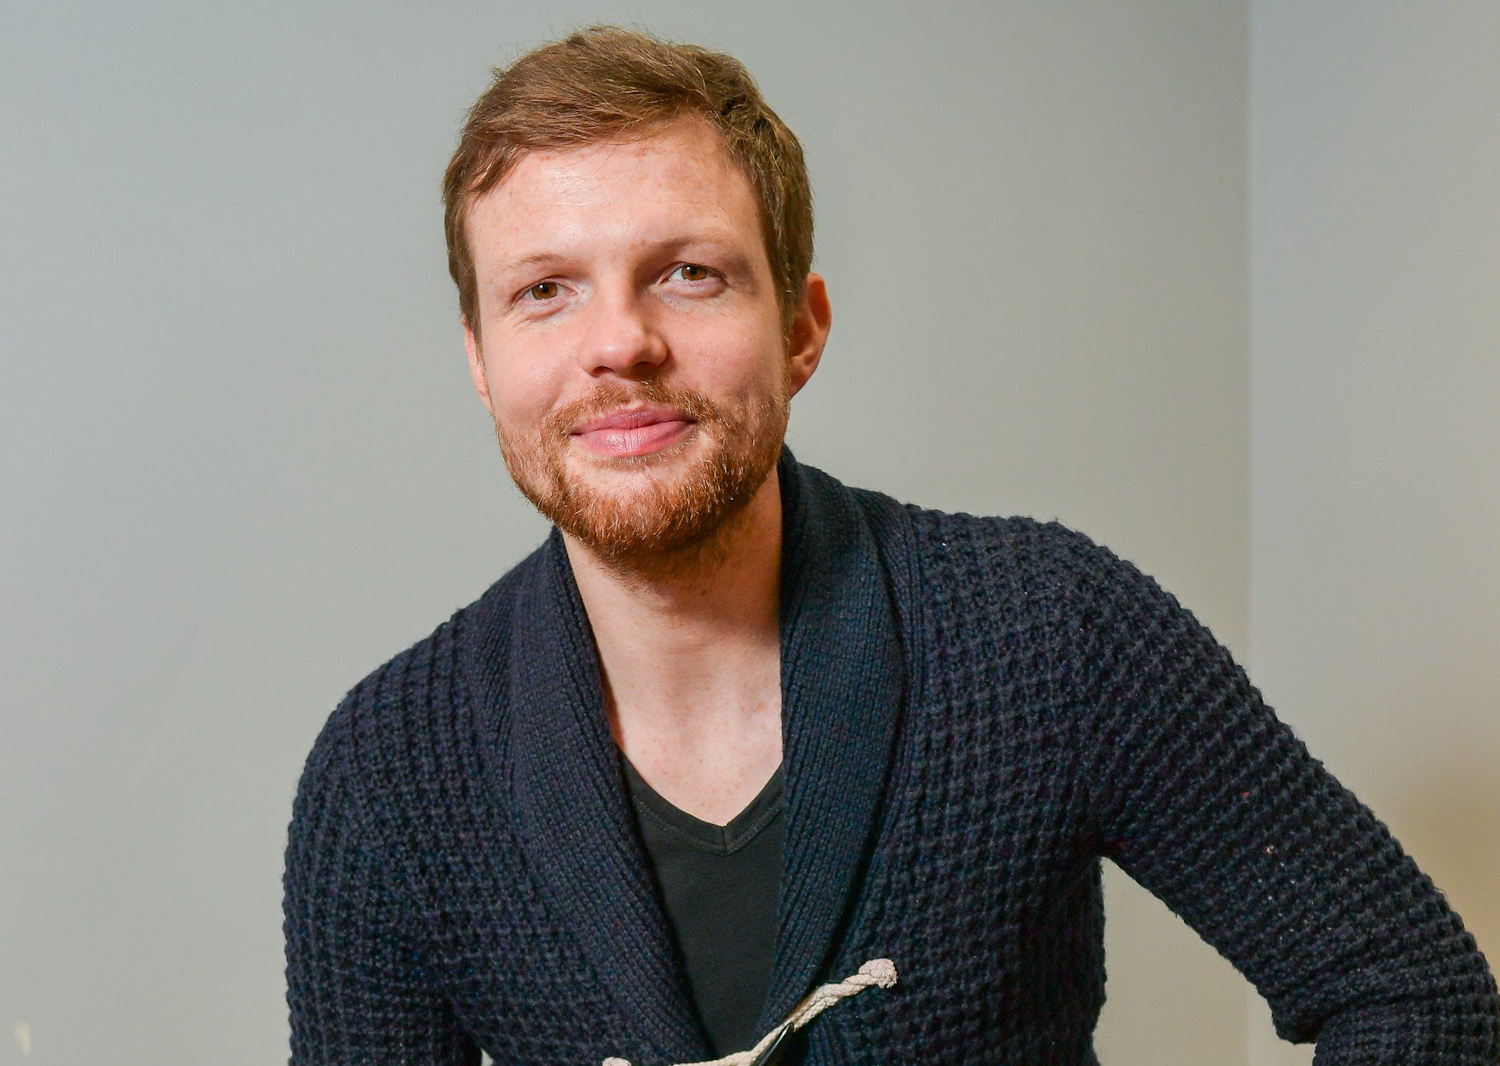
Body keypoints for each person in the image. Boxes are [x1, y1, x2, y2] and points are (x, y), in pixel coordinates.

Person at [281, 23, 1500, 1066]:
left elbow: (1419, 998)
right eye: (544, 290)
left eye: (688, 272)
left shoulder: (1052, 632)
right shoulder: (386, 778)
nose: (619, 343)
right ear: (481, 362)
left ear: (800, 328)